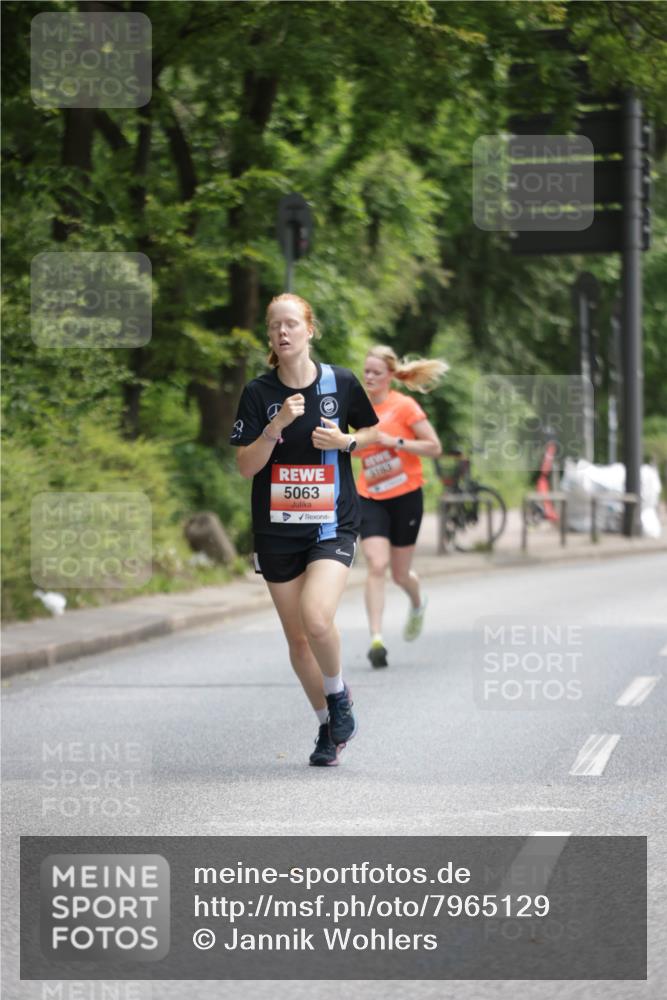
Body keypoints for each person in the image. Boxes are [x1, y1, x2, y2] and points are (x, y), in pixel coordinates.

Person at [230, 293, 379, 766]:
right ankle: (327, 728)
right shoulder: (258, 393)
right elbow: (246, 467)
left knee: (316, 618)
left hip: (332, 524)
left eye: (291, 323)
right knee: (297, 640)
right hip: (276, 530)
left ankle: (338, 696)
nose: (283, 332)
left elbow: (373, 432)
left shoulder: (341, 382)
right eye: (275, 325)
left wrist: (346, 440)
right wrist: (275, 425)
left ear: (309, 329)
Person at [354, 346, 447, 668]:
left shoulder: (404, 406)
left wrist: (395, 442)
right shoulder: (358, 408)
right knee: (376, 564)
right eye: (366, 371)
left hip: (406, 496)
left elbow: (434, 447)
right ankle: (376, 639)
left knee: (400, 574)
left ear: (390, 376)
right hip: (370, 496)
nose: (369, 377)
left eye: (376, 372)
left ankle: (418, 601)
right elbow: (352, 448)